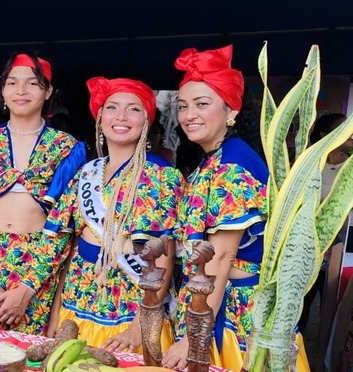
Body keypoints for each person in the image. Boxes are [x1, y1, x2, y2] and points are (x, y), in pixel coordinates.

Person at [163, 45, 309, 371]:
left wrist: (194, 338)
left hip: (234, 316)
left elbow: (222, 257)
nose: (188, 115)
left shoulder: (232, 165)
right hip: (214, 304)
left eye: (202, 104)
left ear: (231, 110)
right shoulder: (217, 159)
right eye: (183, 106)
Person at [44, 77, 180, 350]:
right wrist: (55, 314)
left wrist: (140, 327)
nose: (121, 116)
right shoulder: (87, 172)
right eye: (112, 107)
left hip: (131, 307)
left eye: (133, 109)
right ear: (100, 117)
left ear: (146, 120)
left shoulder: (162, 176)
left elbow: (163, 257)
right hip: (78, 297)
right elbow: (72, 248)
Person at [0, 52, 85, 335]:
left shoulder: (66, 148)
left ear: (48, 91)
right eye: (12, 82)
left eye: (32, 83)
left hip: (36, 270)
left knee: (28, 354)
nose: (21, 90)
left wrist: (27, 288)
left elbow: (63, 224)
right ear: (3, 90)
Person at [299, 113, 351, 333]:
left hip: (339, 247)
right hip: (307, 246)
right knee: (302, 304)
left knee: (332, 307)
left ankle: (325, 352)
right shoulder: (310, 163)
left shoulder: (349, 167)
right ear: (325, 135)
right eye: (344, 130)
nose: (350, 135)